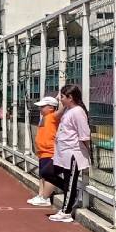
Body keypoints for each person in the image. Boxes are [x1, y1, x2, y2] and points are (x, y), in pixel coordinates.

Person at [46, 84, 91, 223]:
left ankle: (66, 211)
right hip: (62, 154)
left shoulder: (78, 112)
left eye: (63, 97)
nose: (60, 100)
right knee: (47, 172)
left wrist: (87, 153)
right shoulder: (68, 110)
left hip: (73, 153)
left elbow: (84, 135)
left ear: (70, 98)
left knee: (69, 181)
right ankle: (72, 194)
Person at [27, 96, 61, 206]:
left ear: (51, 107)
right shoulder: (45, 117)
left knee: (47, 175)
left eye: (42, 107)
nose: (40, 109)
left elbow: (60, 110)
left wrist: (60, 100)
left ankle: (45, 197)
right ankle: (41, 195)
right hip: (42, 152)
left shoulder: (53, 116)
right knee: (42, 175)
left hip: (50, 151)